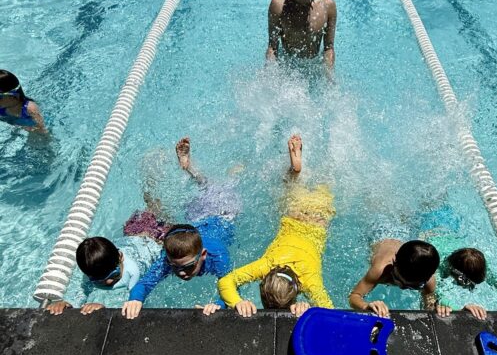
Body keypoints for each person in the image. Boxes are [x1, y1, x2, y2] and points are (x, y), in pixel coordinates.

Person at [218, 134, 334, 317]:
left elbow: (329, 311)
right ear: (265, 279)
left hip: (318, 218)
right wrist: (237, 302)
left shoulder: (310, 281)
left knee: (326, 180)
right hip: (294, 215)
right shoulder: (266, 265)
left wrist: (309, 309)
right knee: (289, 187)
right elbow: (226, 281)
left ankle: (320, 157)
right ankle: (294, 171)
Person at [121, 138, 238, 319]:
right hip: (197, 218)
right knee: (205, 188)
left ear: (204, 254)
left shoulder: (218, 255)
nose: (181, 273)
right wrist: (136, 299)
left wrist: (219, 304)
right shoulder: (169, 259)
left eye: (189, 266)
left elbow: (233, 284)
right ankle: (189, 167)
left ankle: (232, 172)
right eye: (174, 267)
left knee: (222, 186)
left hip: (225, 213)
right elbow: (144, 284)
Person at [45, 234, 161, 315]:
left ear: (121, 257)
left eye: (114, 275)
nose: (108, 282)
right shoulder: (92, 271)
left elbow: (134, 303)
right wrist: (66, 303)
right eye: (98, 280)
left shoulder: (133, 271)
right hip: (129, 240)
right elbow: (80, 292)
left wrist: (105, 309)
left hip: (149, 243)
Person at [266, 0, 337, 71]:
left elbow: (328, 48)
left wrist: (329, 79)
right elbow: (273, 47)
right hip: (288, 66)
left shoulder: (328, 5)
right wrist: (269, 76)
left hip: (313, 66)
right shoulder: (278, 5)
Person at [432, 241, 497, 320]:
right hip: (433, 238)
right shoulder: (440, 267)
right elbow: (435, 293)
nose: (467, 287)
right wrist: (460, 310)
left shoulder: (480, 267)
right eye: (466, 282)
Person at [348, 240, 439, 318]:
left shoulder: (428, 282)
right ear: (394, 263)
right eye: (398, 279)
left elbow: (429, 306)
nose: (403, 288)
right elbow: (354, 296)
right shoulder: (380, 270)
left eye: (413, 286)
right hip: (380, 238)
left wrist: (437, 308)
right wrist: (366, 306)